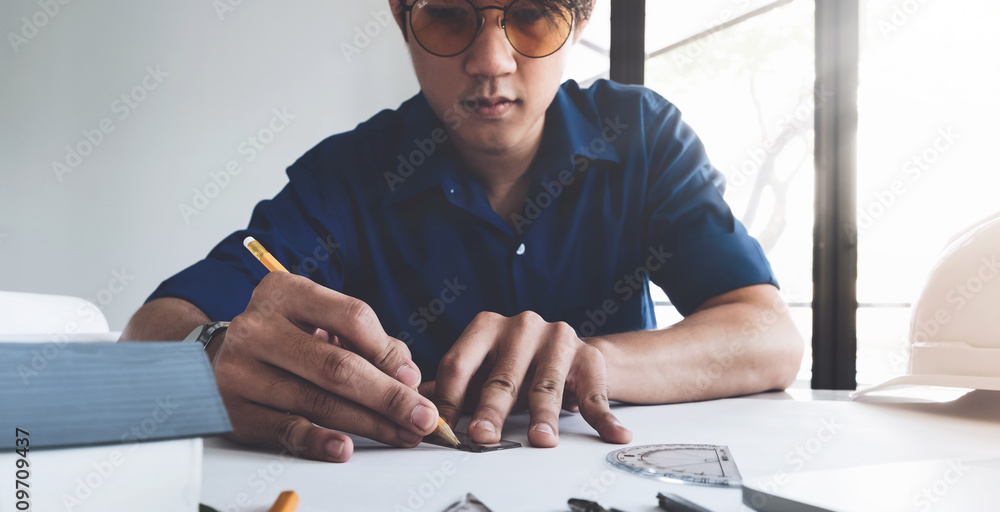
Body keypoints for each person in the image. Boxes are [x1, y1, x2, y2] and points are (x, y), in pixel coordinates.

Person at [120, 0, 804, 463]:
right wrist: (207, 348)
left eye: (532, 15)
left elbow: (769, 337)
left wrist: (593, 360)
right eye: (449, 15)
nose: (491, 60)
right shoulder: (347, 175)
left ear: (583, 12)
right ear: (400, 14)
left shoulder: (643, 138)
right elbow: (153, 326)